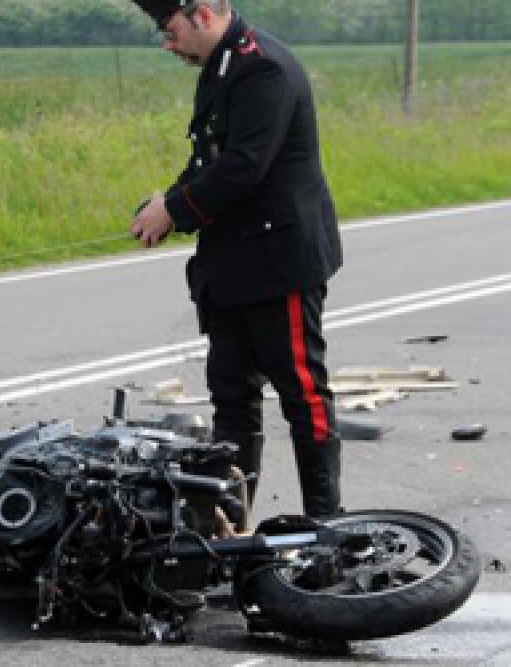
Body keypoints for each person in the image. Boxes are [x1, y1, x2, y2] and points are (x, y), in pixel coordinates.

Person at [127, 0, 344, 520]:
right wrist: (164, 204)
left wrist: (175, 211)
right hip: (231, 265)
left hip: (278, 262)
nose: (167, 42)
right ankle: (229, 528)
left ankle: (326, 520)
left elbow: (245, 166)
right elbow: (209, 158)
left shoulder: (261, 66)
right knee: (232, 398)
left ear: (202, 13)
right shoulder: (223, 64)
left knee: (302, 392)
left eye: (170, 28)